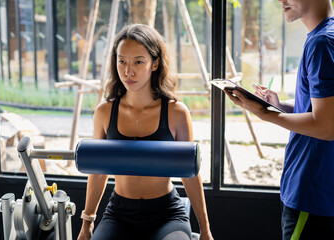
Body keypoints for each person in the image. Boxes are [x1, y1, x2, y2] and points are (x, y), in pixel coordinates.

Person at [77, 24, 213, 240]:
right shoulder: (104, 112)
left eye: (138, 62)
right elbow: (98, 171)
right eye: (122, 61)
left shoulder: (177, 112)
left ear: (155, 63)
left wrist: (205, 230)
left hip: (166, 214)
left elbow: (191, 174)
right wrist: (87, 222)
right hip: (119, 213)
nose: (128, 71)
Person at [225, 0, 334, 239]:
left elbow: (327, 126)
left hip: (311, 194)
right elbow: (323, 110)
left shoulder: (322, 43)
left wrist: (266, 114)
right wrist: (279, 105)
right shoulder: (324, 36)